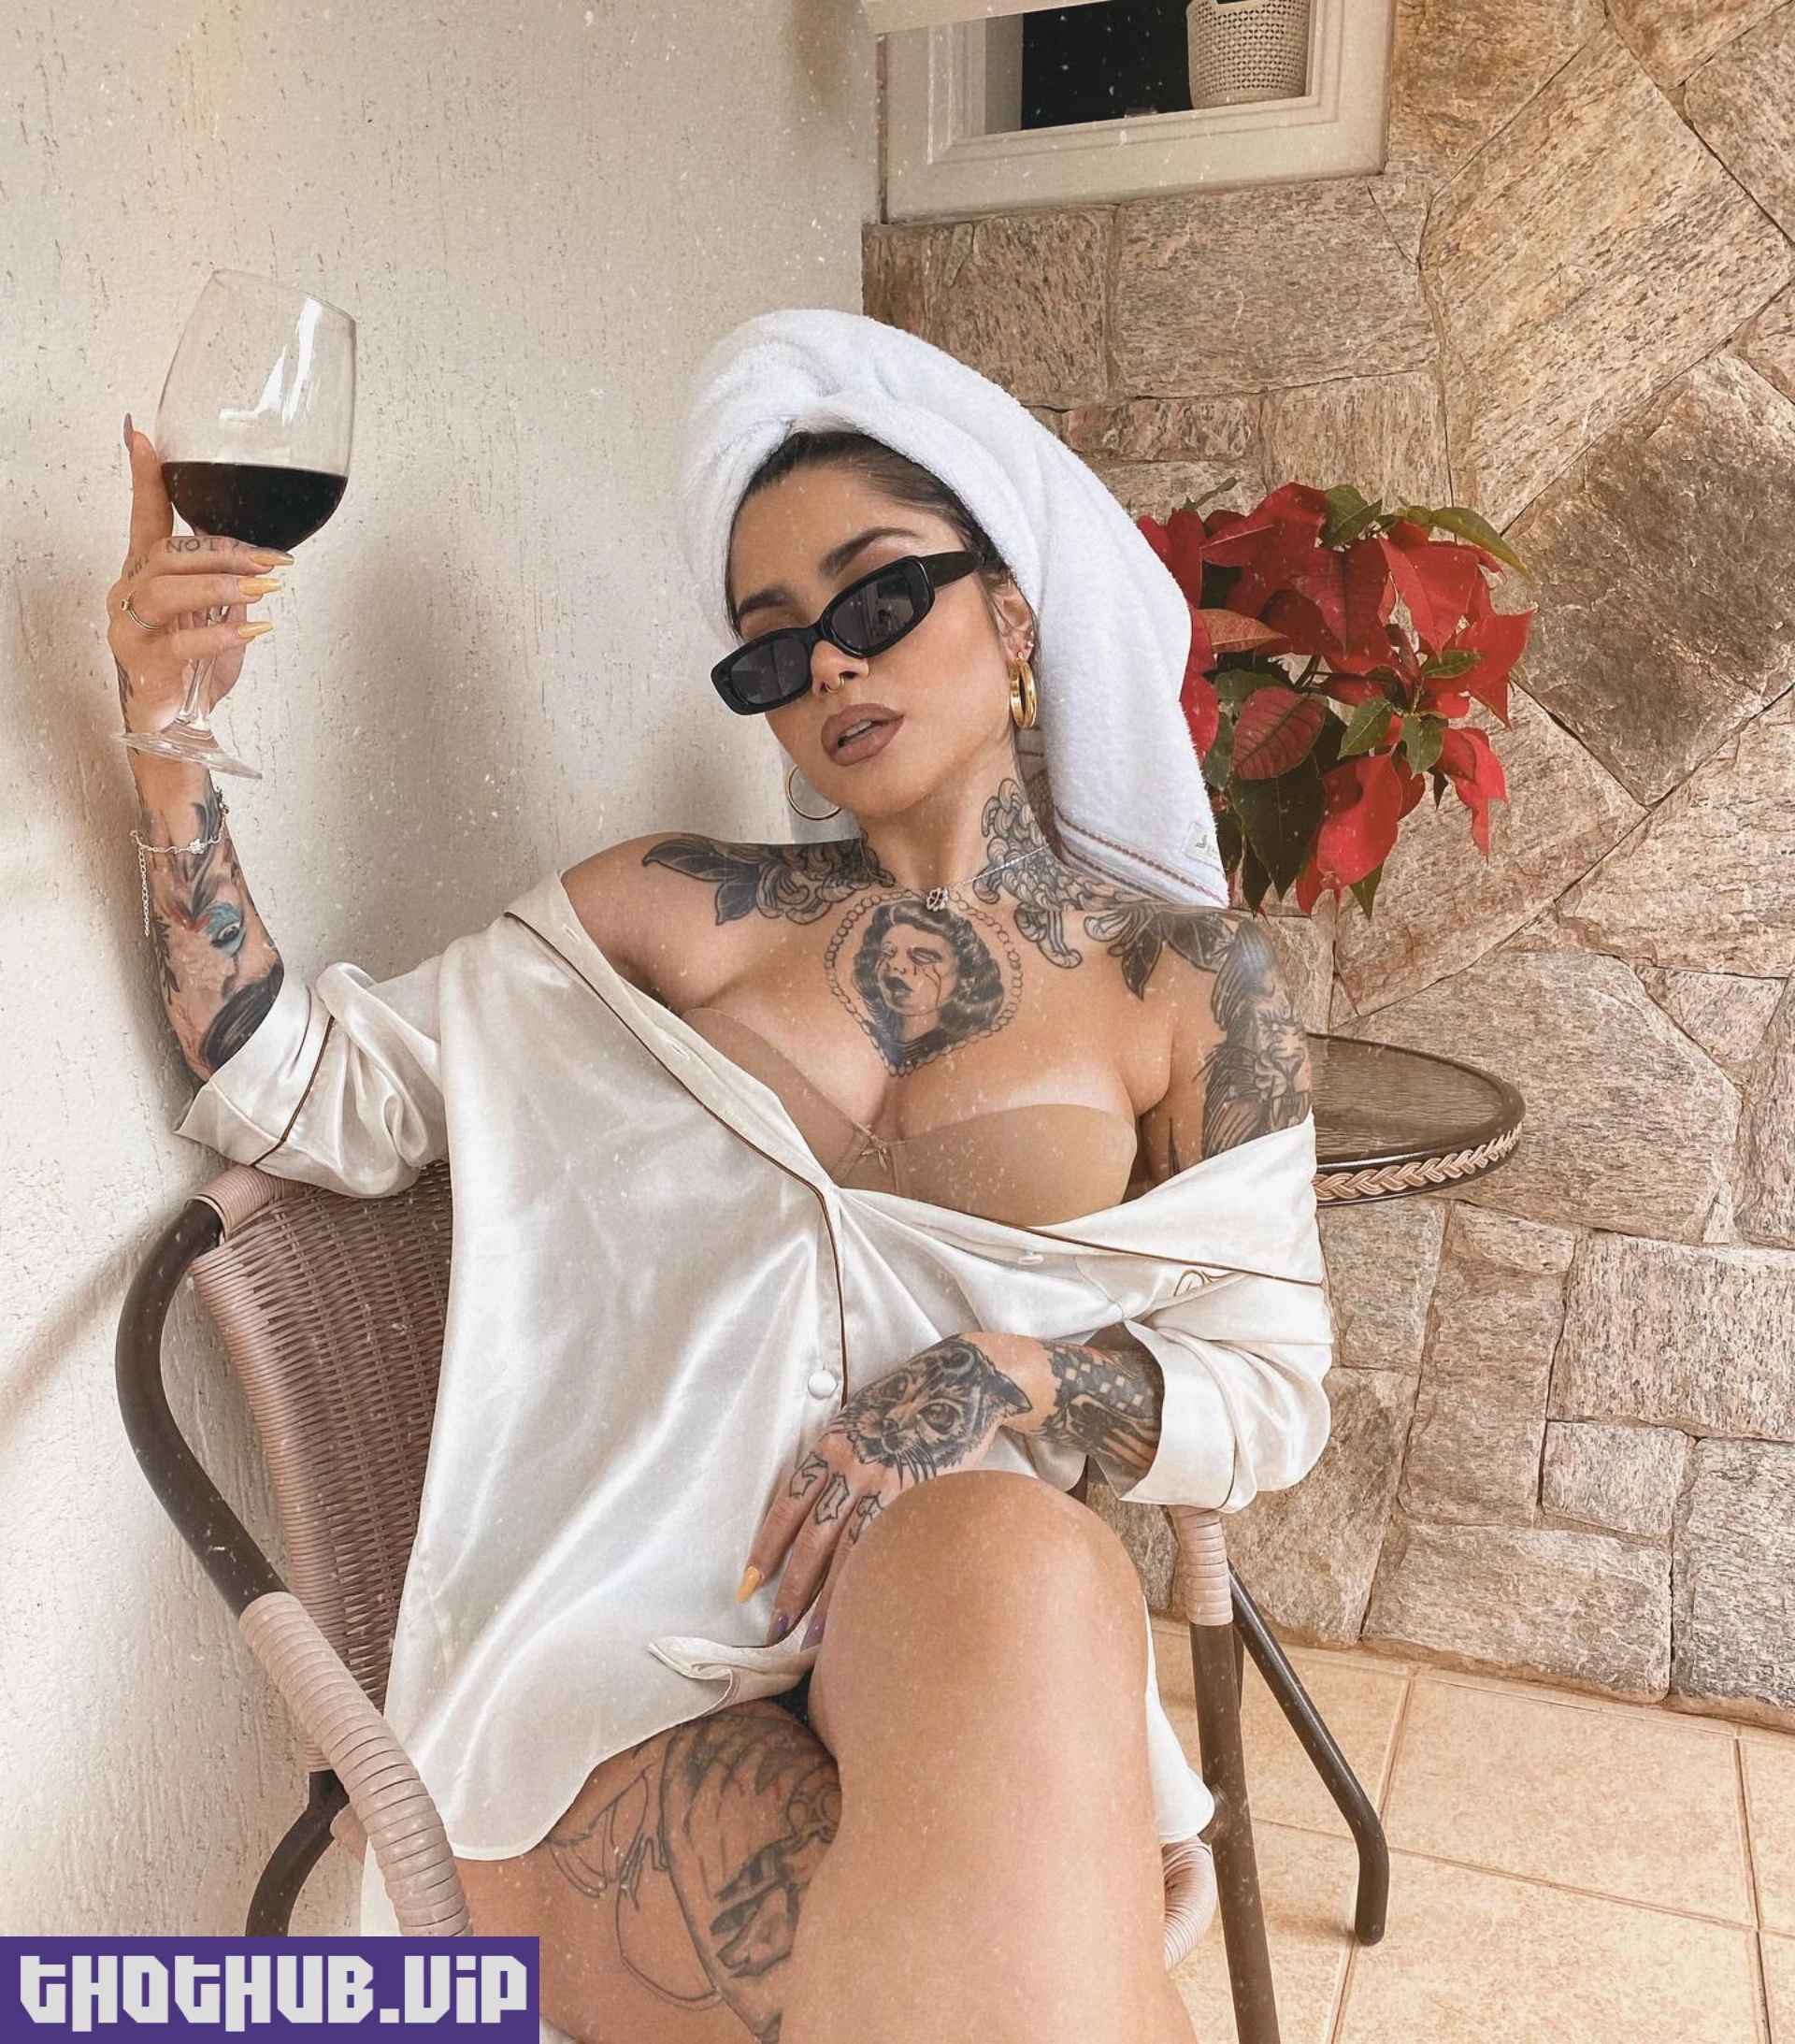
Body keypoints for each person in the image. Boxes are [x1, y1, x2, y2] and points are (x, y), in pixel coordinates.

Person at [108, 309, 1332, 2044]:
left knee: (1025, 1553)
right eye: (770, 647)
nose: (829, 665)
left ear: (1014, 615)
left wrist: (1006, 1371)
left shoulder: (1191, 985)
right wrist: (168, 733)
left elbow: (1270, 1391)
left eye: (877, 597)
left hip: (960, 1627)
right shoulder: (666, 914)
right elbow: (293, 1086)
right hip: (623, 1664)